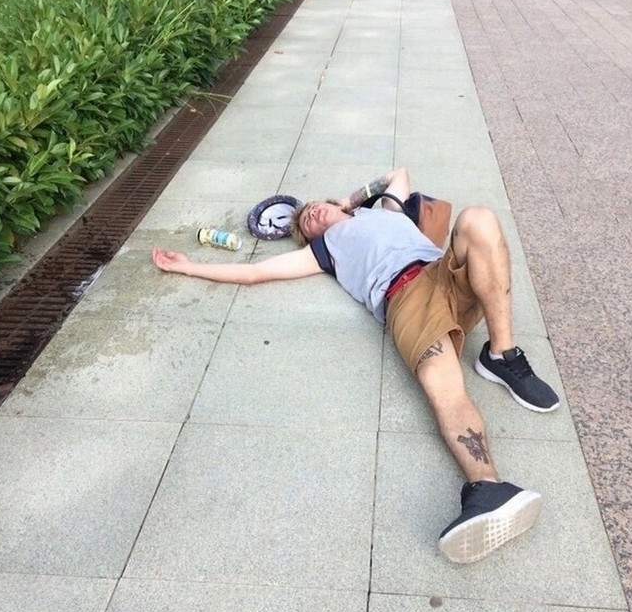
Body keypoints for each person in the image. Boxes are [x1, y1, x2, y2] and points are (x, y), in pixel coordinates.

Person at [152, 168, 559, 565]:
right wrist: (187, 266)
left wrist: (350, 200)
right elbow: (254, 273)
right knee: (445, 390)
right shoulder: (323, 250)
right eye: (305, 223)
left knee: (479, 219)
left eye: (313, 207)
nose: (309, 214)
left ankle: (501, 354)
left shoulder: (387, 211)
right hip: (406, 301)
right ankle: (487, 487)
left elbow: (398, 175)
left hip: (442, 274)